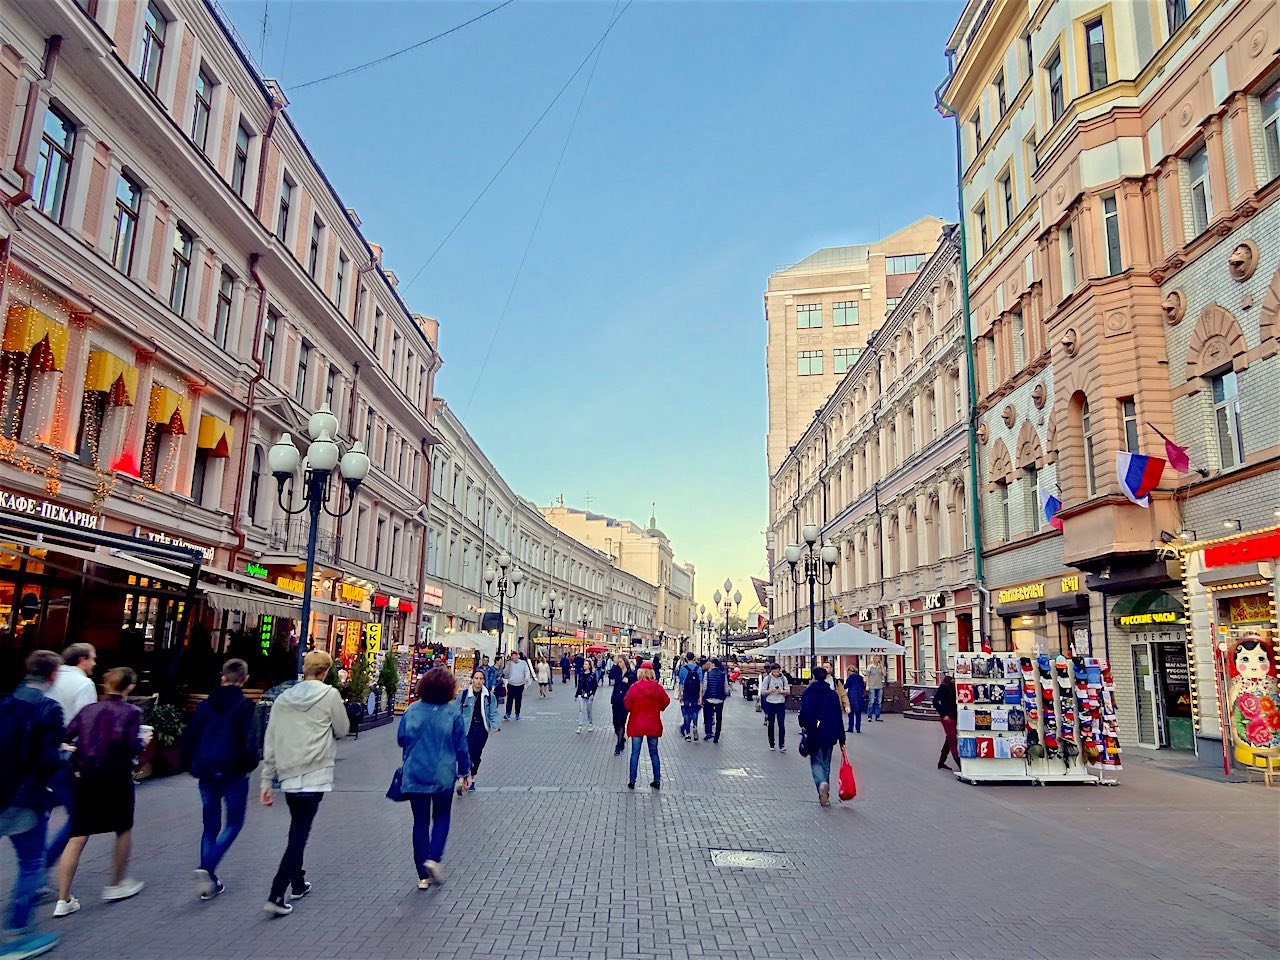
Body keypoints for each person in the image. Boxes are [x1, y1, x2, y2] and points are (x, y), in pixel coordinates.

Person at [259, 651, 350, 917]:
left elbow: (271, 737)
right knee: (299, 833)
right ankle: (277, 892)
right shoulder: (329, 695)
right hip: (315, 772)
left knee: (296, 828)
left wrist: (266, 778)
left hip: (288, 773)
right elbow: (343, 728)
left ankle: (298, 883)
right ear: (324, 672)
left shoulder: (284, 697)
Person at [55, 667, 150, 917]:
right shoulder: (131, 713)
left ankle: (63, 898)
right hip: (116, 778)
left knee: (77, 835)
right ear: (129, 687)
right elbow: (130, 746)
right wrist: (143, 742)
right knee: (123, 828)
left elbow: (65, 735)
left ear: (105, 685)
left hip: (86, 778)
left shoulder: (88, 710)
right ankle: (115, 883)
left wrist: (75, 758)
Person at [2, 650, 64, 960]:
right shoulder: (47, 708)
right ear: (52, 675)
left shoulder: (6, 701)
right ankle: (17, 936)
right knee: (31, 864)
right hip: (22, 796)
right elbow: (47, 760)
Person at [182, 658, 258, 900]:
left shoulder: (205, 705)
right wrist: (250, 764)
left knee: (210, 826)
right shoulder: (245, 706)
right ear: (244, 679)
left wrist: (191, 763)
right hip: (233, 772)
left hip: (205, 770)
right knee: (234, 822)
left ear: (222, 677)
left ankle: (209, 881)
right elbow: (249, 740)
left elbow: (191, 735)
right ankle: (208, 868)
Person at [399, 668, 470, 889]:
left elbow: (402, 739)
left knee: (420, 822)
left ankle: (422, 876)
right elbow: (461, 747)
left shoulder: (411, 711)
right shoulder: (452, 713)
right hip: (442, 774)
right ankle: (433, 858)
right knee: (441, 817)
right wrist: (465, 772)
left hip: (416, 773)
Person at [44, 643, 97, 880]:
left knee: (42, 811)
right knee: (78, 816)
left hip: (43, 753)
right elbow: (86, 725)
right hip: (67, 755)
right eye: (93, 658)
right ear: (82, 659)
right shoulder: (84, 684)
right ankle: (40, 868)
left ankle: (34, 867)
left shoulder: (51, 678)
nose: (95, 663)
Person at [798, 667, 846, 807]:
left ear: (813, 677)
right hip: (830, 734)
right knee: (826, 763)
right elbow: (838, 717)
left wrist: (804, 724)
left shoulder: (809, 693)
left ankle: (821, 784)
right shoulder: (832, 694)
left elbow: (804, 714)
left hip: (814, 733)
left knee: (816, 762)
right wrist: (842, 738)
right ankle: (826, 795)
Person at [623, 663, 669, 790]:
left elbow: (627, 703)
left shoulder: (634, 687)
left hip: (637, 723)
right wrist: (659, 708)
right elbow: (666, 701)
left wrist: (634, 709)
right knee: (654, 752)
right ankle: (657, 780)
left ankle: (632, 781)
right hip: (653, 723)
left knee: (635, 753)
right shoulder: (657, 687)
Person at [457, 670, 499, 791]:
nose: (478, 681)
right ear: (472, 679)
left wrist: (496, 725)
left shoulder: (489, 696)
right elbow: (455, 712)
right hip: (467, 728)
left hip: (481, 729)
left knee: (476, 755)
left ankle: (471, 777)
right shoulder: (464, 695)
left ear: (484, 681)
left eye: (481, 679)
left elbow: (493, 711)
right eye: (476, 678)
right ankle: (462, 778)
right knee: (466, 753)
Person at [608, 654, 636, 757]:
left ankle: (618, 745)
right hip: (616, 699)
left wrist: (628, 682)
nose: (619, 664)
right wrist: (614, 665)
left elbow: (634, 685)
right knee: (615, 722)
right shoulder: (616, 670)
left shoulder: (631, 673)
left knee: (621, 722)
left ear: (625, 661)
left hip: (625, 700)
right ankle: (621, 738)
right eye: (618, 662)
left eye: (620, 662)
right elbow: (610, 676)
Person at [933, 674, 961, 772]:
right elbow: (935, 701)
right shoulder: (945, 686)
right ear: (952, 678)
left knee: (949, 739)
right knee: (953, 739)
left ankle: (941, 761)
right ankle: (960, 764)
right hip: (947, 718)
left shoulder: (954, 686)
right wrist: (943, 714)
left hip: (954, 716)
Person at [760, 662, 789, 752]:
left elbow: (788, 691)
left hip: (780, 703)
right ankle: (771, 744)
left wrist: (781, 691)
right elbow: (763, 691)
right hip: (770, 703)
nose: (776, 673)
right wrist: (771, 690)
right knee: (771, 724)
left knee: (781, 724)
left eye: (777, 671)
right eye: (774, 672)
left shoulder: (783, 679)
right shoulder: (767, 679)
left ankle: (781, 744)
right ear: (771, 671)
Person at [701, 659, 729, 744]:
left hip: (709, 698)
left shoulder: (707, 674)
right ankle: (716, 737)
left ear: (713, 664)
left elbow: (705, 687)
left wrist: (703, 696)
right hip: (720, 699)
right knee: (719, 719)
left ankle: (708, 733)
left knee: (708, 717)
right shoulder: (723, 674)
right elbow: (726, 688)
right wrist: (724, 695)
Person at [676, 654, 703, 741]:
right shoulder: (698, 669)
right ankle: (695, 727)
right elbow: (701, 683)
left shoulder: (683, 668)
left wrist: (680, 694)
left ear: (686, 658)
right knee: (695, 711)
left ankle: (687, 733)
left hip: (686, 693)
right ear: (694, 658)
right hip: (695, 693)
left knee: (687, 712)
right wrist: (700, 696)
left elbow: (680, 683)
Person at [503, 652, 532, 721]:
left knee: (518, 700)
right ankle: (508, 713)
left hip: (520, 684)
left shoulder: (523, 663)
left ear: (517, 656)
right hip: (511, 684)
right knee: (509, 699)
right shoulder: (510, 664)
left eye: (514, 656)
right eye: (512, 657)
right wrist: (508, 666)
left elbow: (527, 671)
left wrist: (526, 679)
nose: (513, 658)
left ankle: (517, 714)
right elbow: (505, 673)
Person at [575, 662, 598, 734]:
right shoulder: (581, 674)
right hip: (581, 694)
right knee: (581, 710)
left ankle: (590, 723)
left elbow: (595, 685)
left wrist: (593, 694)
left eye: (586, 664)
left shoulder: (592, 675)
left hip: (589, 694)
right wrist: (576, 695)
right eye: (584, 664)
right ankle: (580, 726)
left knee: (589, 710)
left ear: (589, 666)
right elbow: (579, 685)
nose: (584, 665)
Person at [845, 665, 867, 734]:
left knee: (851, 714)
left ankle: (850, 728)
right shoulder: (860, 677)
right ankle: (858, 729)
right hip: (859, 697)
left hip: (851, 697)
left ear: (849, 671)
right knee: (858, 714)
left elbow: (846, 686)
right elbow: (863, 687)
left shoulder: (850, 678)